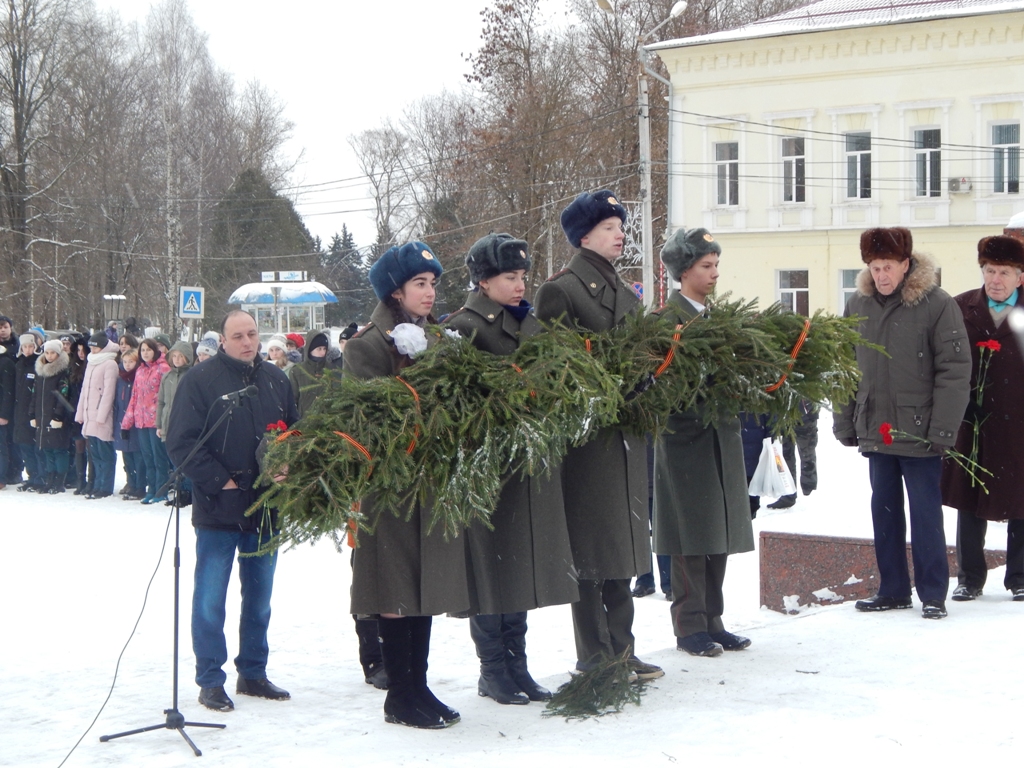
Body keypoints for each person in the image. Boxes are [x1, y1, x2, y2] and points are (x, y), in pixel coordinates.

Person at [534, 190, 662, 681]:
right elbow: (555, 370)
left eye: (620, 226)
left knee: (622, 548)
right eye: (610, 227)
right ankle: (594, 657)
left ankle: (623, 650)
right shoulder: (562, 291)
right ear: (584, 236)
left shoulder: (622, 289)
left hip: (624, 439)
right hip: (587, 443)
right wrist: (611, 386)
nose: (620, 234)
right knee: (591, 553)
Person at [445, 233, 578, 705]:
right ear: (483, 281)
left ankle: (518, 665)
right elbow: (458, 402)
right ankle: (493, 669)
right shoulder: (464, 327)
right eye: (509, 277)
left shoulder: (529, 323)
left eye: (522, 276)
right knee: (490, 568)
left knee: (519, 562)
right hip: (488, 468)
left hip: (526, 463)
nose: (520, 285)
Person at [345, 241, 468, 729]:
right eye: (420, 283)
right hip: (389, 488)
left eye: (433, 283)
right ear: (395, 292)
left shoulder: (436, 337)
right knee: (395, 591)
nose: (430, 292)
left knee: (423, 588)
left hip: (430, 483)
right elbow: (373, 418)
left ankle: (419, 686)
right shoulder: (366, 344)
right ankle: (399, 694)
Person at [834, 227, 970, 620]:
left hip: (920, 431)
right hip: (876, 428)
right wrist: (845, 420)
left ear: (906, 264)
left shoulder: (937, 304)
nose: (881, 276)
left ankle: (932, 593)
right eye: (874, 268)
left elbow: (955, 370)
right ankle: (892, 589)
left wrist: (943, 429)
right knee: (885, 512)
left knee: (926, 513)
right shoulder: (858, 304)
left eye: (888, 267)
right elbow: (843, 367)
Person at [166, 311, 298, 713]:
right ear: (222, 340)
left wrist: (288, 462)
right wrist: (219, 481)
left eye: (252, 334)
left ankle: (253, 672)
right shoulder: (200, 381)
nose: (247, 342)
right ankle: (210, 679)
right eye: (237, 335)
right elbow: (181, 440)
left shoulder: (276, 380)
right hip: (218, 508)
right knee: (210, 600)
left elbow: (295, 431)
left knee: (259, 599)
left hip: (265, 508)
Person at [653, 227, 755, 657]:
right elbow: (662, 385)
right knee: (690, 538)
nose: (714, 274)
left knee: (718, 533)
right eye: (705, 266)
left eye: (716, 266)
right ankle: (689, 625)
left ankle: (714, 620)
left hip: (720, 439)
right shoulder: (667, 321)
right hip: (686, 443)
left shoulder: (716, 318)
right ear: (684, 271)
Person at [940, 235, 1024, 602]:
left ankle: (1020, 577)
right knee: (969, 497)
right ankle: (969, 577)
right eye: (990, 270)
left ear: (1020, 277)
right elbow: (943, 362)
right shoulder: (960, 307)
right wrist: (958, 403)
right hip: (973, 421)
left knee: (1022, 498)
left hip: (1020, 422)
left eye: (1004, 272)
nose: (996, 279)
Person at [121, 338, 171, 504]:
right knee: (147, 458)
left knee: (159, 458)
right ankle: (151, 489)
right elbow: (134, 397)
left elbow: (167, 396)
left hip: (156, 420)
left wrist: (164, 420)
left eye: (149, 350)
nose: (146, 353)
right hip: (141, 421)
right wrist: (126, 422)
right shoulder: (140, 370)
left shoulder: (163, 368)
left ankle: (161, 489)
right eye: (143, 350)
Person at [75, 332, 120, 499]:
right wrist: (81, 413)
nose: (92, 350)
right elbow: (84, 392)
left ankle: (105, 486)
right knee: (95, 454)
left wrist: (101, 416)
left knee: (105, 454)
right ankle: (97, 485)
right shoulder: (91, 363)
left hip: (102, 418)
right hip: (89, 416)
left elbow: (109, 393)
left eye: (95, 347)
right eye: (91, 347)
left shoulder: (109, 364)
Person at [29, 340, 73, 493]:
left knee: (58, 449)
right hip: (42, 416)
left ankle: (60, 481)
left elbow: (63, 395)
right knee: (47, 449)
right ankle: (50, 479)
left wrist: (58, 416)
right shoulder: (41, 371)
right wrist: (32, 413)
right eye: (47, 352)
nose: (49, 356)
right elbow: (35, 394)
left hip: (55, 417)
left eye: (53, 353)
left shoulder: (62, 372)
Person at [766, 400, 820, 509]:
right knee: (784, 457)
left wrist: (809, 408)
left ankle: (809, 486)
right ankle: (788, 493)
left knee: (807, 453)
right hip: (782, 415)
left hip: (805, 415)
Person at [13, 335, 45, 491]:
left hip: (32, 411)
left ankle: (39, 477)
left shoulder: (38, 364)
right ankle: (32, 476)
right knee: (24, 446)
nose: (27, 350)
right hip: (19, 411)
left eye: (30, 346)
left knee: (35, 447)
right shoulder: (19, 364)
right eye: (24, 347)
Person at [114, 349, 144, 500]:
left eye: (131, 362)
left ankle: (140, 485)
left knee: (138, 455)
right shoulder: (121, 379)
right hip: (122, 420)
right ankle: (131, 483)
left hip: (136, 422)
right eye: (125, 362)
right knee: (126, 456)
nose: (127, 365)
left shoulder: (137, 377)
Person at [288, 330, 330, 418]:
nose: (322, 352)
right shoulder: (297, 371)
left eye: (324, 349)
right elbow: (292, 400)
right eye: (319, 349)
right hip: (304, 423)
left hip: (328, 422)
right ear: (310, 349)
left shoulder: (331, 369)